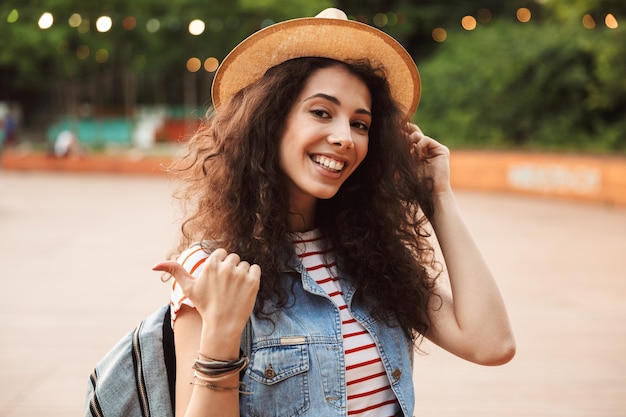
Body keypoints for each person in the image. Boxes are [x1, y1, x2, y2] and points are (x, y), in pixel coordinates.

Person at [152, 8, 515, 417]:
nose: (344, 137)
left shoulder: (373, 257)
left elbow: (492, 344)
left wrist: (437, 196)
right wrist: (220, 335)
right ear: (270, 122)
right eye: (321, 112)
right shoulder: (213, 270)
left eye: (360, 124)